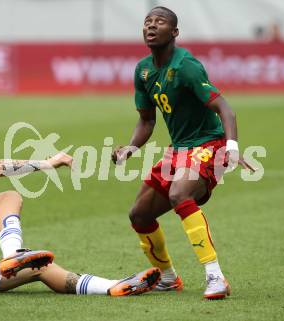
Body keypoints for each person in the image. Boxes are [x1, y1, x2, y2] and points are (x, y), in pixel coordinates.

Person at [0, 122, 161, 295]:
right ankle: (13, 253)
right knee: (7, 198)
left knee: (39, 267)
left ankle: (112, 287)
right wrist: (48, 163)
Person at [111, 6, 254, 299]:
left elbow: (225, 108)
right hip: (178, 150)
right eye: (147, 22)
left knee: (180, 194)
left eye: (160, 22)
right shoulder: (143, 70)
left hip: (208, 145)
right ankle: (168, 277)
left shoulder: (187, 65)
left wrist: (232, 147)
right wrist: (129, 148)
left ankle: (215, 277)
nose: (151, 26)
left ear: (174, 32)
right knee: (139, 215)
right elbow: (147, 120)